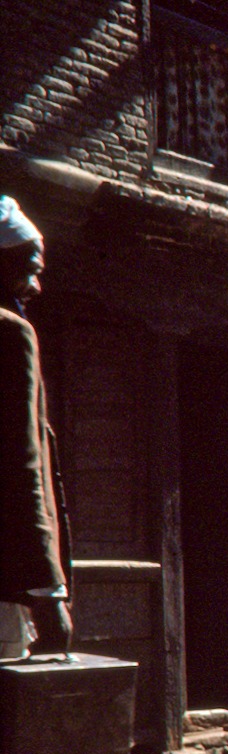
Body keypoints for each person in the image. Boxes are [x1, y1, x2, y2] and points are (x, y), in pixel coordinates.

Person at [0, 195, 70, 659]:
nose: (36, 286)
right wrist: (49, 592)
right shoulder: (12, 332)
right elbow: (21, 464)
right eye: (29, 269)